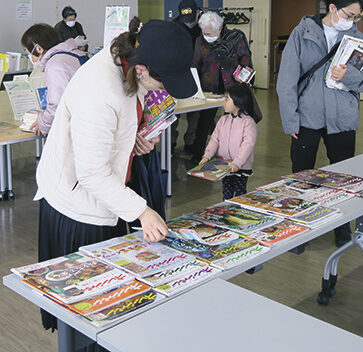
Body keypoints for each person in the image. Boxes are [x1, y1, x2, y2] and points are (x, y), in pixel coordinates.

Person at [34, 18, 197, 333]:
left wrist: (135, 136)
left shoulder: (128, 60)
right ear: (142, 69)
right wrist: (143, 212)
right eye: (163, 82)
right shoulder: (101, 87)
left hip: (104, 197)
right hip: (77, 209)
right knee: (86, 314)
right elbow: (92, 173)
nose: (163, 90)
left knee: (107, 311)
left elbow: (119, 122)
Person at [276, 0, 363, 247]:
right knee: (301, 177)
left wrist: (349, 76)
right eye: (350, 15)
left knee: (342, 177)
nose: (353, 21)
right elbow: (286, 80)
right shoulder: (303, 33)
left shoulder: (357, 39)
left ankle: (342, 228)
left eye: (357, 17)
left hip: (342, 118)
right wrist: (290, 119)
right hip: (307, 117)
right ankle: (300, 229)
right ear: (332, 8)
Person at [190, 11, 253, 162]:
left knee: (233, 122)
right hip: (208, 87)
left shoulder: (235, 39)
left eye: (209, 33)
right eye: (204, 32)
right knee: (204, 121)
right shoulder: (200, 41)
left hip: (231, 87)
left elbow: (246, 62)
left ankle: (234, 154)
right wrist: (194, 87)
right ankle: (199, 154)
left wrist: (243, 76)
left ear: (219, 29)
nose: (206, 36)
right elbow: (195, 64)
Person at [21, 23, 85, 136]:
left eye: (28, 53)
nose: (29, 58)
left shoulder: (55, 65)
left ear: (38, 48)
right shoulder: (75, 53)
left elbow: (57, 104)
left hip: (77, 126)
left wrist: (43, 123)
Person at [199, 84, 258, 201]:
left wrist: (237, 163)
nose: (224, 102)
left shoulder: (248, 122)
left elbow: (248, 145)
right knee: (226, 194)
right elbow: (215, 139)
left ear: (238, 101)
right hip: (224, 165)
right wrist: (207, 155)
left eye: (227, 99)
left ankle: (238, 214)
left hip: (241, 167)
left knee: (240, 195)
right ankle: (226, 213)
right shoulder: (223, 120)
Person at [170, 0, 201, 153]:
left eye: (191, 19)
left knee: (195, 112)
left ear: (197, 12)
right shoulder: (174, 26)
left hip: (198, 74)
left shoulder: (204, 25)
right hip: (177, 73)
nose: (188, 22)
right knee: (175, 110)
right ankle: (171, 142)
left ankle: (191, 142)